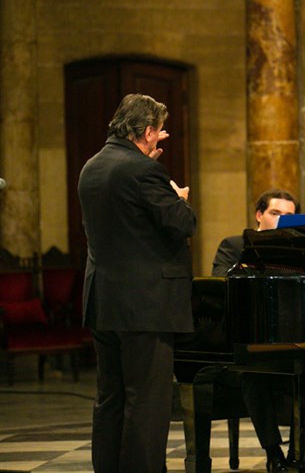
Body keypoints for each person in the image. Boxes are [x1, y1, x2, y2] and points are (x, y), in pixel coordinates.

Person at [78, 93, 196, 472]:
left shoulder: (92, 167)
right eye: (158, 131)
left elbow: (127, 223)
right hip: (145, 306)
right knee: (146, 402)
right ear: (147, 131)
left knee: (110, 398)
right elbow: (182, 223)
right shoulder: (144, 172)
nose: (160, 137)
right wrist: (178, 197)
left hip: (104, 302)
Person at [212, 188, 299, 473]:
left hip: (290, 340)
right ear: (259, 215)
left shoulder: (301, 253)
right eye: (276, 213)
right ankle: (274, 453)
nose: (282, 221)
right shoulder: (234, 245)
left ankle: (302, 449)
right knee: (254, 373)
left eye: (289, 216)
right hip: (248, 343)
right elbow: (220, 285)